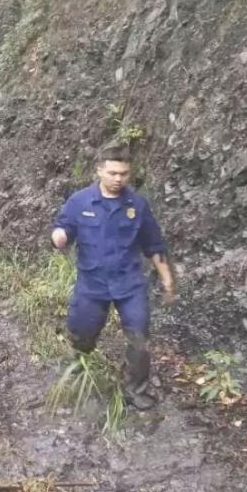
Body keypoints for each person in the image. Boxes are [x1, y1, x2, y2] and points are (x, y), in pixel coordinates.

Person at [51, 143, 176, 410]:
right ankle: (75, 375)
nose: (118, 179)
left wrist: (167, 278)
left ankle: (135, 390)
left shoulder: (137, 205)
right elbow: (62, 228)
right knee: (81, 334)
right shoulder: (80, 201)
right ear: (99, 170)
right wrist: (59, 237)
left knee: (139, 338)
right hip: (92, 284)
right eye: (112, 173)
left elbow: (154, 245)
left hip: (129, 284)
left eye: (124, 173)